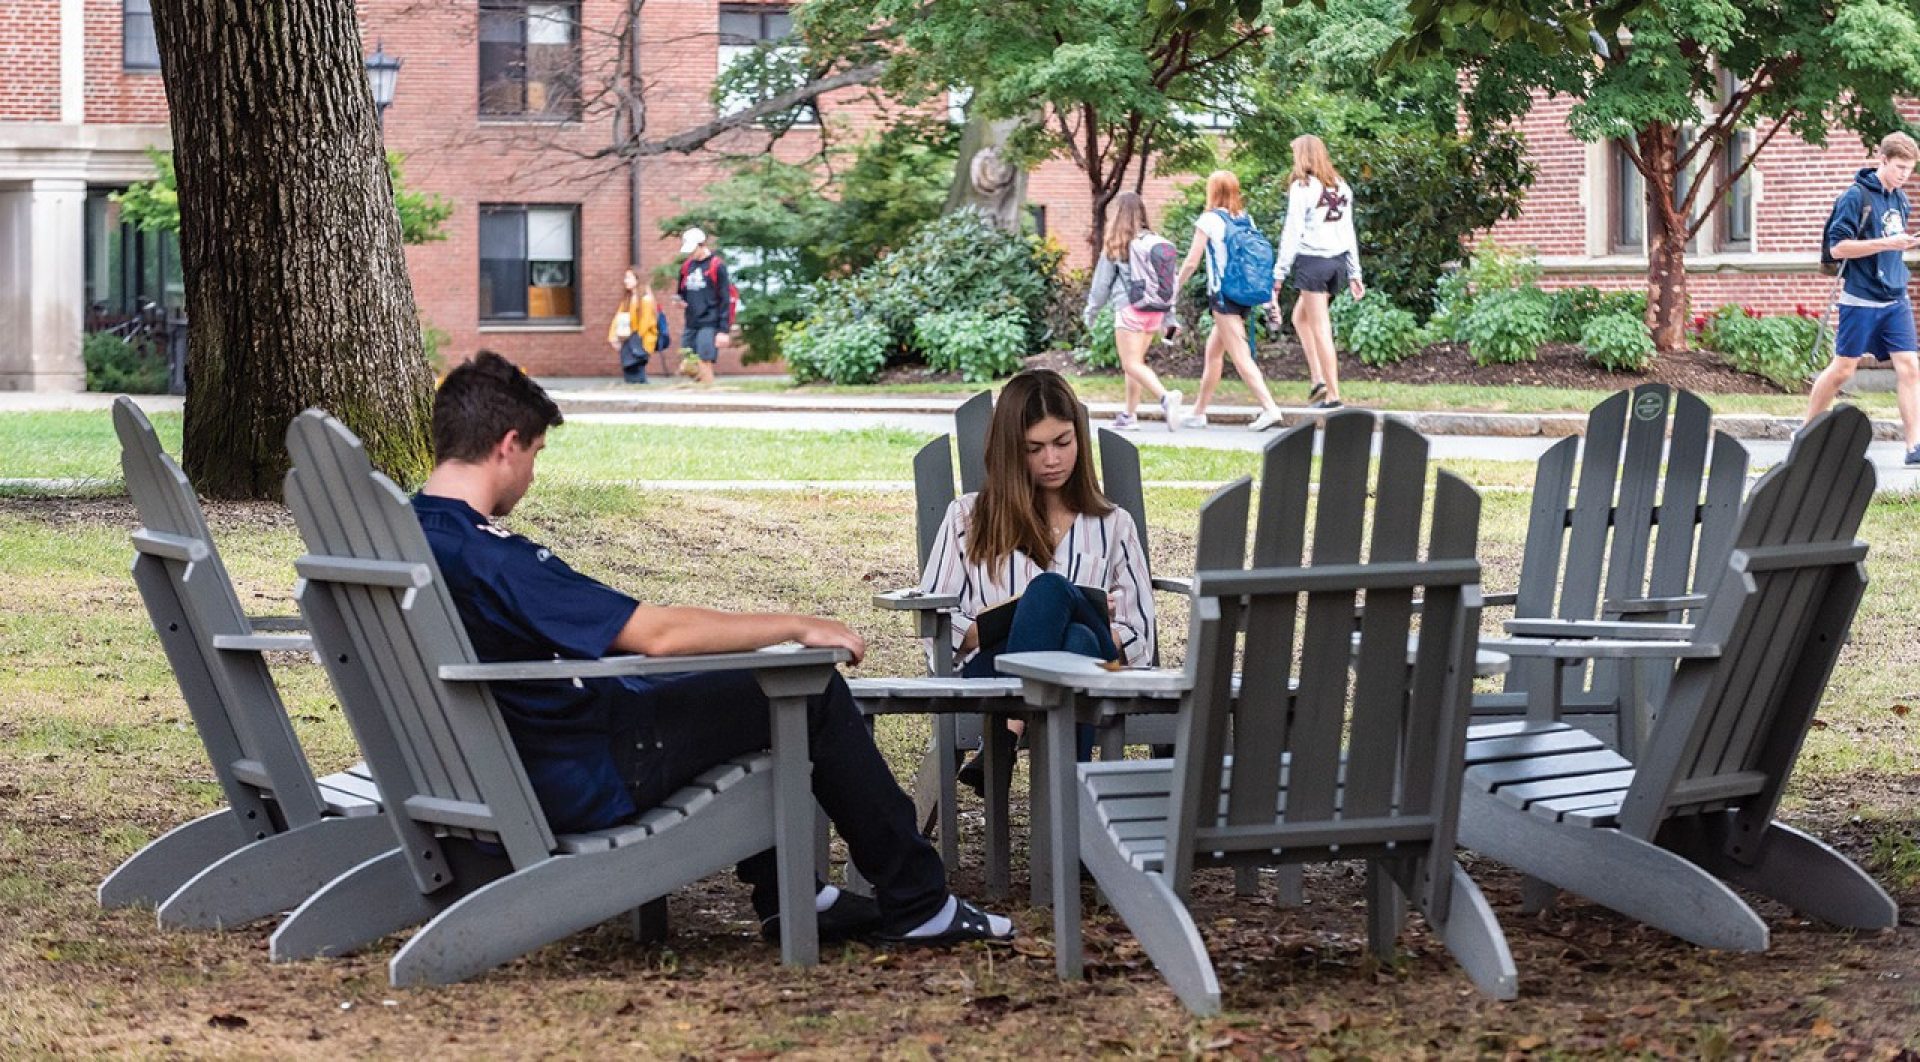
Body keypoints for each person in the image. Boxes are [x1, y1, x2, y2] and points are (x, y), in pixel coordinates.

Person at [412, 350, 1013, 946]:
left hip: (507, 761)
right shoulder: (490, 555)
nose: (533, 476)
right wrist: (795, 625)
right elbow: (657, 635)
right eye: (536, 455)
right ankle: (918, 902)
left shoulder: (411, 535)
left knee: (741, 695)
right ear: (508, 443)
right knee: (808, 689)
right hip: (581, 773)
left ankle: (796, 898)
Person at [917, 369, 1156, 791]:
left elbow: (1138, 634)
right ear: (1012, 452)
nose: (1052, 459)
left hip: (1101, 668)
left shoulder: (1113, 524)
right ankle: (1074, 833)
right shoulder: (967, 518)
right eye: (1035, 448)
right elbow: (936, 623)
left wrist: (1073, 617)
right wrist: (1024, 620)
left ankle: (1006, 735)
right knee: (1074, 636)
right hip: (991, 671)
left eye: (1063, 442)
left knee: (1062, 610)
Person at [1806, 131, 1920, 464]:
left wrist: (1904, 244)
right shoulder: (1855, 197)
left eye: (1910, 169)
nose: (1904, 175)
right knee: (1843, 370)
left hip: (1895, 297)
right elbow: (1838, 247)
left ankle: (1914, 446)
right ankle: (1806, 432)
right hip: (1861, 298)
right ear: (1882, 160)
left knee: (1910, 366)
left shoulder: (1901, 200)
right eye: (1899, 167)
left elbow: (1892, 242)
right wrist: (1888, 243)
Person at [1173, 171, 1288, 431]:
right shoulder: (1246, 219)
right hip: (1244, 295)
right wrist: (1271, 299)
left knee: (1240, 355)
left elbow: (1192, 261)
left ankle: (1270, 408)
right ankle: (1199, 412)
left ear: (1212, 191)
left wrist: (1175, 287)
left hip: (1223, 296)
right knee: (1213, 352)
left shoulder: (1209, 220)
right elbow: (1259, 264)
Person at [1274, 135, 1366, 411]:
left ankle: (1332, 394)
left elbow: (1292, 232)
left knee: (1320, 327)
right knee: (1300, 317)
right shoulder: (1341, 187)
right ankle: (1318, 379)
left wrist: (1279, 274)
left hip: (1312, 262)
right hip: (1335, 263)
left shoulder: (1302, 187)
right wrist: (1354, 272)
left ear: (1303, 155)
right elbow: (1348, 231)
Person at [1083, 192, 1185, 431]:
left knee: (1130, 364)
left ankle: (1166, 397)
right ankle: (1129, 415)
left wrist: (1091, 312)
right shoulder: (1155, 242)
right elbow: (1170, 282)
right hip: (1154, 313)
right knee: (1136, 363)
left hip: (1129, 310)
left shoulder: (1117, 243)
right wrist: (1169, 317)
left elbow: (1101, 285)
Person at [675, 227, 734, 385]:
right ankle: (696, 387)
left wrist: (723, 330)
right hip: (692, 321)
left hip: (710, 321)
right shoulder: (687, 267)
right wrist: (680, 301)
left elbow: (725, 299)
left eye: (693, 249)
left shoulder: (716, 266)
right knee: (688, 361)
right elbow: (681, 291)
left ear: (702, 245)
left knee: (704, 358)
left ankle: (707, 390)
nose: (691, 253)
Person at [607, 265, 660, 384]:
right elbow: (618, 318)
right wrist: (613, 336)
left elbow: (645, 324)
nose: (626, 280)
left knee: (636, 371)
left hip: (639, 342)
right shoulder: (628, 299)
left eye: (629, 277)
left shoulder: (645, 300)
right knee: (630, 371)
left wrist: (630, 335)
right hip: (629, 340)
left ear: (637, 279)